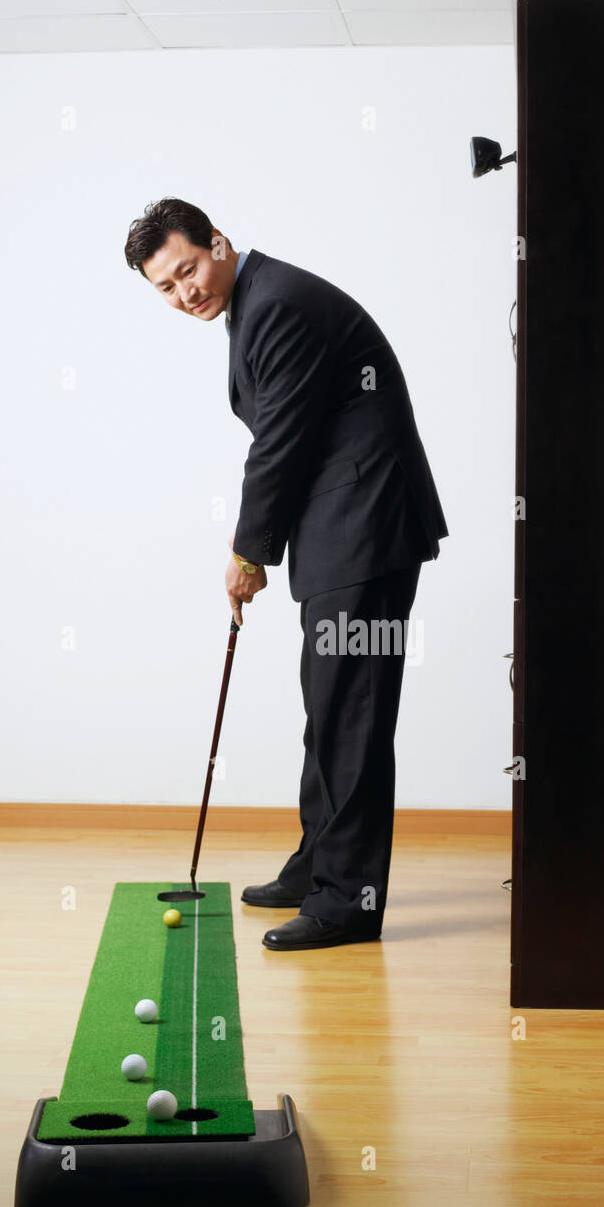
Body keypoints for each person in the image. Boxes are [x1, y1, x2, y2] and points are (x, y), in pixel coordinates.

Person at [124, 198, 448, 950]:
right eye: (167, 289)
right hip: (343, 526)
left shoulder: (276, 306)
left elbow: (280, 443)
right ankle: (316, 866)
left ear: (219, 243)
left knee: (353, 716)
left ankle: (348, 902)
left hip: (367, 524)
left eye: (189, 271)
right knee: (329, 705)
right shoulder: (256, 302)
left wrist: (248, 554)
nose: (186, 294)